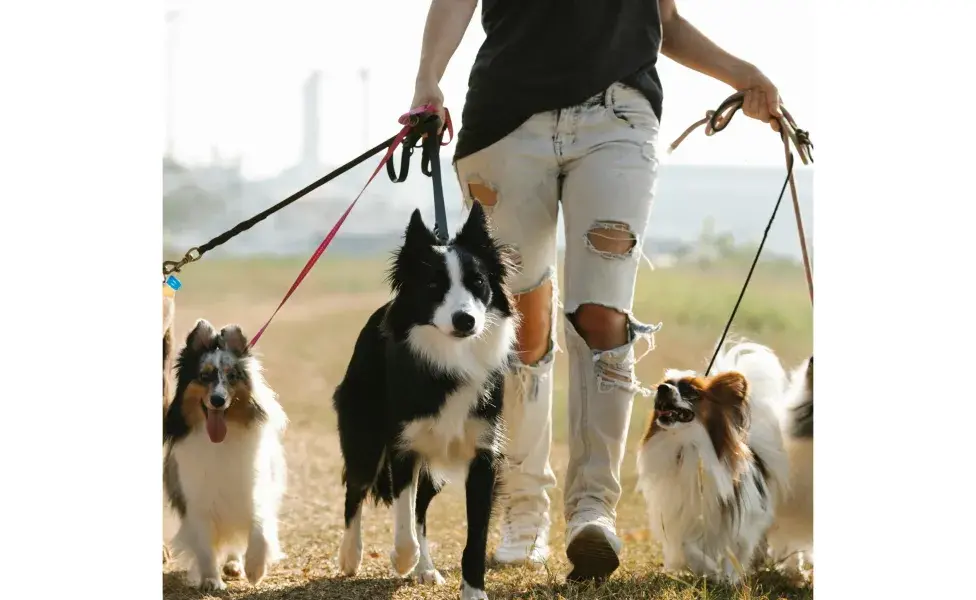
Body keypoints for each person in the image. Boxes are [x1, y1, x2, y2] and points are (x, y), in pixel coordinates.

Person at [409, 0, 785, 582]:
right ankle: (523, 510)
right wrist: (428, 79)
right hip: (507, 123)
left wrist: (744, 74)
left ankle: (593, 511)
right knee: (520, 325)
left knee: (604, 315)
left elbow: (667, 22)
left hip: (619, 120)